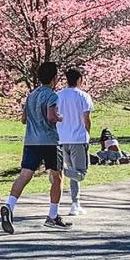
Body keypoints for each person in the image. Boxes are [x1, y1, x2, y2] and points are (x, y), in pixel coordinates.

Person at [2, 62, 69, 233]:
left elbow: (23, 119)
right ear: (54, 78)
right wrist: (60, 118)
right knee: (57, 176)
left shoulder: (31, 95)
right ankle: (53, 215)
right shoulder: (52, 95)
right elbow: (51, 116)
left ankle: (9, 205)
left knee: (25, 175)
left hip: (31, 141)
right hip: (49, 141)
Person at [55, 67, 94, 217]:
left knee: (73, 171)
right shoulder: (83, 96)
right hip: (78, 138)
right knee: (81, 173)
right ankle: (57, 170)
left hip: (62, 138)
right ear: (79, 79)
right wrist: (88, 134)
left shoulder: (58, 96)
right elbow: (87, 119)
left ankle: (75, 204)